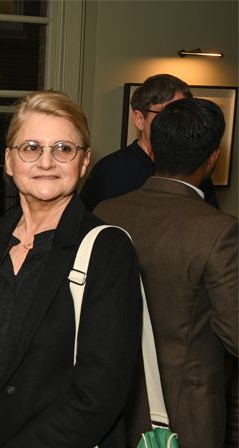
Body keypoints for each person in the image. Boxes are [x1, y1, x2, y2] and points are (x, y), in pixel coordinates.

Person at [0, 91, 142, 447]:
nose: (46, 162)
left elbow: (99, 393)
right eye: (31, 147)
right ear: (9, 161)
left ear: (84, 162)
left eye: (63, 149)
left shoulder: (108, 250)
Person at [96, 97, 238, 448]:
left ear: (154, 149)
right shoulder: (219, 231)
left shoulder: (106, 212)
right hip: (186, 410)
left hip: (110, 394)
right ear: (213, 158)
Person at [80, 74, 219, 211]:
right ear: (139, 119)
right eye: (165, 113)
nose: (176, 122)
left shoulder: (195, 167)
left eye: (183, 114)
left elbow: (209, 217)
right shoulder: (110, 171)